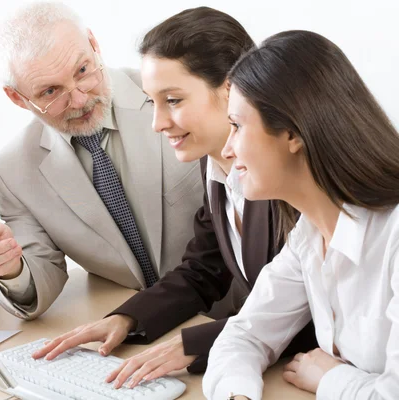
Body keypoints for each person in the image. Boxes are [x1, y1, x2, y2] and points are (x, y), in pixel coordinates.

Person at [32, 6, 316, 387]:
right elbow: (203, 269)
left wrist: (197, 343)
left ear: (234, 88)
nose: (157, 123)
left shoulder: (292, 176)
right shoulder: (214, 167)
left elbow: (313, 310)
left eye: (174, 100)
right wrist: (127, 319)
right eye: (154, 102)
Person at [0, 2, 205, 320]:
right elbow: (40, 273)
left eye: (82, 71)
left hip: (236, 312)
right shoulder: (14, 169)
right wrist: (9, 268)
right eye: (51, 91)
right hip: (137, 329)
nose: (79, 99)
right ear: (17, 97)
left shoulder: (173, 96)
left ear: (94, 44)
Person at [203, 30, 399, 400]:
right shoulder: (309, 235)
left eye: (237, 125)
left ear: (292, 132)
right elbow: (244, 335)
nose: (227, 149)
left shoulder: (393, 235)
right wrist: (237, 396)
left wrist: (330, 379)